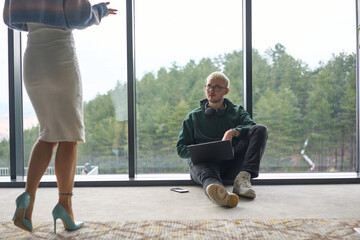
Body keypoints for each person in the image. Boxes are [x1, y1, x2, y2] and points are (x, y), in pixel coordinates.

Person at [3, 0, 117, 233]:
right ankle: (64, 205)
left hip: (33, 60)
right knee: (69, 135)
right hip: (60, 59)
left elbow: (9, 18)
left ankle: (27, 199)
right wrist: (100, 11)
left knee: (48, 133)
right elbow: (78, 16)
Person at [177, 72, 268, 208]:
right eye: (208, 86)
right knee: (207, 174)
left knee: (261, 129)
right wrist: (201, 152)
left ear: (226, 91)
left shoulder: (238, 112)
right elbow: (181, 149)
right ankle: (218, 192)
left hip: (231, 164)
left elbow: (252, 126)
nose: (211, 90)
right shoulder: (193, 117)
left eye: (216, 87)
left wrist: (233, 132)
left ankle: (242, 179)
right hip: (204, 165)